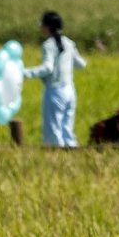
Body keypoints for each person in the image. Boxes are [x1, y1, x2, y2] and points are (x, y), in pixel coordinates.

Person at [23, 11, 87, 147]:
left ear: (47, 27)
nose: (41, 28)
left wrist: (25, 73)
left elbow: (47, 68)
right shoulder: (69, 43)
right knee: (67, 130)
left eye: (42, 25)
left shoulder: (48, 45)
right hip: (70, 91)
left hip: (55, 91)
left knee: (53, 132)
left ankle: (56, 161)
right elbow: (81, 64)